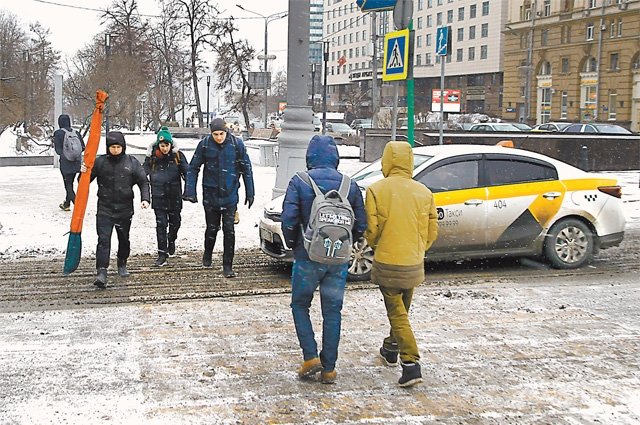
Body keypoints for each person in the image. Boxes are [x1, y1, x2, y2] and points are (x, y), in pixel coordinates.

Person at [281, 135, 367, 384]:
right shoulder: (349, 185)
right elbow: (360, 224)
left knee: (300, 305)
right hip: (337, 259)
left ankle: (310, 357)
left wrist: (294, 244)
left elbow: (288, 219)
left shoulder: (300, 181)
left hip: (307, 256)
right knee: (332, 311)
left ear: (309, 156)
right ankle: (329, 368)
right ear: (335, 157)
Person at [364, 141, 439, 388]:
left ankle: (411, 363)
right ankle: (390, 348)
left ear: (386, 161)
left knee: (397, 313)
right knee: (402, 312)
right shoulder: (424, 192)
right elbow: (431, 231)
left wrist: (378, 245)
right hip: (413, 261)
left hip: (388, 261)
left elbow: (372, 230)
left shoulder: (376, 190)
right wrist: (417, 249)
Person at [183, 118, 254, 278]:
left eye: (221, 134)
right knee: (212, 228)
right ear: (211, 133)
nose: (219, 137)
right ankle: (207, 254)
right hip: (210, 194)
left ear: (226, 131)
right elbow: (193, 168)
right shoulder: (205, 144)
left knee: (229, 230)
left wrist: (250, 191)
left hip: (230, 194)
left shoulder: (236, 145)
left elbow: (246, 168)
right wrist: (190, 191)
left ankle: (227, 265)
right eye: (215, 134)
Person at [83, 131, 150, 288]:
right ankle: (102, 271)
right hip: (105, 208)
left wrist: (145, 198)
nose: (115, 150)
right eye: (112, 147)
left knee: (123, 239)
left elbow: (143, 182)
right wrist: (83, 171)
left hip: (125, 208)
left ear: (123, 147)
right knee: (103, 240)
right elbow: (84, 181)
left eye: (118, 147)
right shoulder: (100, 163)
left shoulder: (132, 163)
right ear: (108, 148)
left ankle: (122, 262)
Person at [143, 127, 189, 267]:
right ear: (158, 145)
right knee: (161, 224)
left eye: (167, 145)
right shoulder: (152, 158)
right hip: (158, 197)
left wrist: (189, 191)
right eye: (162, 145)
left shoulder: (178, 156)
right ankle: (162, 253)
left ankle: (172, 238)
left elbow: (188, 174)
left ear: (171, 145)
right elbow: (142, 174)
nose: (164, 148)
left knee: (175, 222)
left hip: (175, 196)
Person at [53, 114, 85, 211]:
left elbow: (58, 150)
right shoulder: (76, 132)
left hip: (66, 163)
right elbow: (83, 147)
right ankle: (66, 204)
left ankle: (78, 205)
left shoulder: (58, 133)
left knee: (68, 185)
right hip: (76, 162)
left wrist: (65, 154)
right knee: (70, 183)